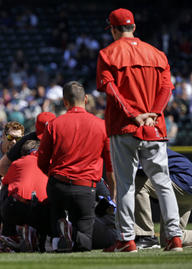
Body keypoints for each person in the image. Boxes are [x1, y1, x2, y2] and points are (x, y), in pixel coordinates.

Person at [96, 8, 183, 252]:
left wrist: (135, 116)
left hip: (125, 127)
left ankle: (126, 239)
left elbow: (112, 92)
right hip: (155, 127)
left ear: (114, 30)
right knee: (163, 182)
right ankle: (174, 237)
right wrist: (153, 114)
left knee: (125, 184)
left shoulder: (107, 53)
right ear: (133, 27)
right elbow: (167, 89)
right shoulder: (157, 53)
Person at [37, 81, 115, 252]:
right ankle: (74, 234)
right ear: (86, 99)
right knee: (85, 241)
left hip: (57, 185)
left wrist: (53, 176)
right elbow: (110, 166)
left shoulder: (54, 125)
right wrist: (113, 192)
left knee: (57, 221)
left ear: (65, 102)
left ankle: (61, 235)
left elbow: (42, 161)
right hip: (85, 188)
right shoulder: (101, 125)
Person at [135, 148, 192, 249]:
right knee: (169, 239)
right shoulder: (151, 145)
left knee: (136, 183)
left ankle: (146, 236)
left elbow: (139, 174)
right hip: (186, 185)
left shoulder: (140, 149)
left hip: (183, 180)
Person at [0, 139, 50, 252]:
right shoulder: (48, 163)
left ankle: (9, 234)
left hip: (18, 208)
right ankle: (41, 238)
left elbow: (6, 184)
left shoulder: (17, 163)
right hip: (43, 210)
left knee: (5, 188)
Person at [0, 112, 56, 177]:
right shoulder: (26, 140)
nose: (45, 138)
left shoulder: (62, 139)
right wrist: (22, 179)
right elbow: (1, 167)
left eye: (48, 134)